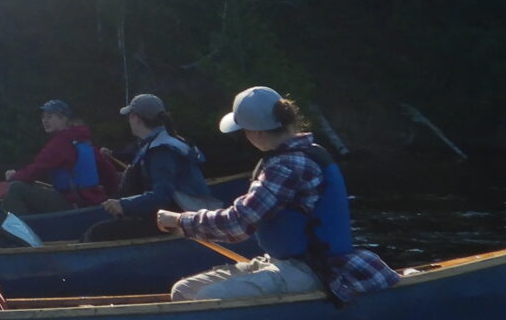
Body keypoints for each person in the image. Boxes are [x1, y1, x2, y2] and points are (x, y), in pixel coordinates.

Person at [156, 85, 399, 303]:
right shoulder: (295, 155)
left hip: (311, 269)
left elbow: (238, 224)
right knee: (183, 291)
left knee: (210, 298)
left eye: (245, 131)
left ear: (257, 133)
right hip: (280, 262)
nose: (246, 137)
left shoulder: (288, 166)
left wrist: (180, 221)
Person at [89, 94, 210, 236]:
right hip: (178, 213)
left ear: (136, 118)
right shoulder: (166, 141)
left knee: (97, 233)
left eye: (129, 117)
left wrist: (123, 204)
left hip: (176, 219)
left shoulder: (161, 150)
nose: (129, 121)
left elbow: (163, 194)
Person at [0, 99, 107, 217]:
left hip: (73, 204)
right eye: (43, 117)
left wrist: (14, 176)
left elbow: (35, 170)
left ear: (64, 119)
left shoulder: (60, 143)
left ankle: (22, 233)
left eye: (50, 117)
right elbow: (108, 171)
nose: (45, 121)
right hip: (90, 202)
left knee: (16, 189)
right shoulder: (85, 141)